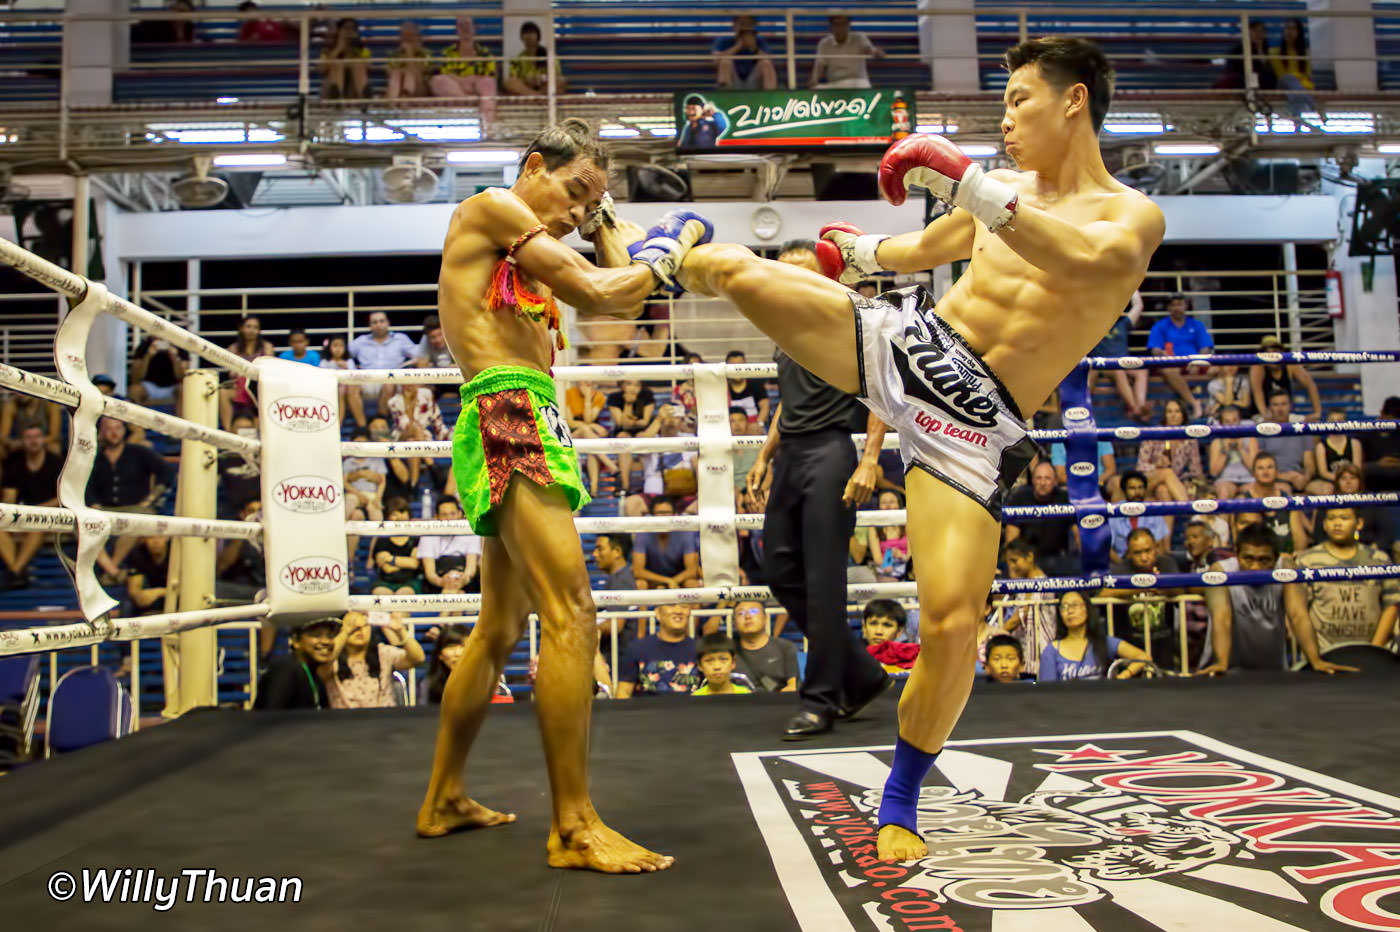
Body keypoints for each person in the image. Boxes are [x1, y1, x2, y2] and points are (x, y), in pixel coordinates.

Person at [673, 36, 1162, 860]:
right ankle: (631, 259)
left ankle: (900, 793)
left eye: (1019, 101)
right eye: (1004, 105)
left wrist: (962, 178)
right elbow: (923, 252)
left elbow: (1082, 262)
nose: (1005, 120)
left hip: (974, 422)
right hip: (911, 346)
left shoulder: (1128, 215)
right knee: (740, 271)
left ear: (1073, 101)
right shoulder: (997, 189)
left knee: (950, 625)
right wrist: (858, 253)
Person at [417, 119, 704, 873]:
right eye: (574, 191)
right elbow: (598, 290)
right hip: (509, 410)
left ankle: (444, 796)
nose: (576, 213)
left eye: (588, 207)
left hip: (523, 412)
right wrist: (669, 248)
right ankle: (573, 827)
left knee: (500, 625)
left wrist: (611, 217)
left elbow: (622, 298)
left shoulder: (532, 249)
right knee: (571, 611)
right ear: (534, 165)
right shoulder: (493, 208)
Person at [743, 240, 891, 736]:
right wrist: (765, 455)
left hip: (830, 455)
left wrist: (870, 458)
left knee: (824, 583)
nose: (790, 280)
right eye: (782, 272)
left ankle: (823, 699)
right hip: (791, 456)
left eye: (802, 272)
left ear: (828, 277)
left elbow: (879, 394)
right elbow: (789, 401)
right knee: (779, 568)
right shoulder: (783, 326)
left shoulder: (848, 322)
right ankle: (863, 673)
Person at [1197, 523, 1357, 676]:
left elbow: (1298, 615)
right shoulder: (1220, 571)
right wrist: (1222, 663)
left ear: (1275, 558)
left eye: (1263, 560)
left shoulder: (1285, 568)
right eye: (1248, 559)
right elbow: (1221, 618)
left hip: (1271, 672)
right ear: (1237, 555)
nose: (1255, 568)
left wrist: (1315, 660)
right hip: (1224, 670)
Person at [1296, 507, 1400, 653]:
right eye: (1332, 518)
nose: (1337, 524)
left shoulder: (1379, 559)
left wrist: (1374, 650)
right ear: (1325, 524)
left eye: (1344, 518)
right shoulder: (1307, 560)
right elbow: (1299, 611)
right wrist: (1314, 654)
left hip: (1373, 651)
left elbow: (1392, 605)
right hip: (1324, 653)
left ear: (1359, 524)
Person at [86, 417, 176, 576]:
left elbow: (167, 472)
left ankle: (111, 570)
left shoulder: (138, 452)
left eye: (117, 428)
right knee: (81, 522)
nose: (114, 433)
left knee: (137, 521)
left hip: (136, 509)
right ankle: (112, 571)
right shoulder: (95, 457)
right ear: (101, 432)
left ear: (124, 430)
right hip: (105, 510)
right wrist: (93, 504)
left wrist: (150, 499)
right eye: (109, 429)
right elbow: (87, 486)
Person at [0, 423, 62, 588]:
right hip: (20, 515)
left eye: (36, 437)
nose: (33, 441)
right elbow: (9, 498)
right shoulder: (14, 465)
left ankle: (13, 573)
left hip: (49, 515)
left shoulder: (56, 463)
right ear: (23, 441)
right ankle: (17, 572)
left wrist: (37, 511)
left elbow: (62, 498)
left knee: (36, 528)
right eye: (29, 437)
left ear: (43, 439)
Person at [323, 611, 426, 708]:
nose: (359, 629)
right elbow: (325, 662)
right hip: (343, 722)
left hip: (383, 720)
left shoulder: (383, 653)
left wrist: (400, 630)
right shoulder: (332, 658)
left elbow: (418, 658)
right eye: (352, 625)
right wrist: (345, 633)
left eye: (365, 625)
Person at [1039, 590, 1150, 680]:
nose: (1070, 611)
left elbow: (1143, 657)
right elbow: (1048, 691)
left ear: (1087, 609)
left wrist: (1123, 676)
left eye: (1075, 605)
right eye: (1064, 607)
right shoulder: (1051, 650)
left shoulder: (1103, 642)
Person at [1146, 293, 1213, 420]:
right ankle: (1194, 403)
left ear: (1186, 306)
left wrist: (1197, 361)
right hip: (1172, 364)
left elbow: (1205, 348)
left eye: (1180, 304)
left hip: (1194, 363)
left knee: (1219, 369)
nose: (1177, 307)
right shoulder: (1160, 326)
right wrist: (1163, 354)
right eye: (1173, 305)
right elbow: (1155, 350)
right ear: (1169, 308)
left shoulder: (1196, 325)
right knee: (1169, 371)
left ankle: (1214, 408)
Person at [1002, 461, 1077, 572]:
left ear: (1055, 482)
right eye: (1038, 478)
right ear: (1032, 481)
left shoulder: (1065, 498)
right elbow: (1011, 539)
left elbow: (1078, 533)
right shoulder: (1019, 497)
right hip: (1026, 561)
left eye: (1047, 478)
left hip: (1058, 559)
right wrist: (1013, 570)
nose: (1042, 483)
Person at [253, 617, 341, 710]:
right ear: (296, 641)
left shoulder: (312, 672)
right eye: (316, 635)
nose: (326, 641)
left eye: (330, 636)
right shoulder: (285, 671)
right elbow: (270, 718)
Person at [614, 603, 701, 697]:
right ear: (658, 613)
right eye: (671, 605)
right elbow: (624, 692)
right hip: (648, 710)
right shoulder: (637, 648)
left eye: (684, 606)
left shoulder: (701, 648)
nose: (678, 611)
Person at [1085, 290, 1148, 420]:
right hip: (1103, 365)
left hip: (1125, 363)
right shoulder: (1090, 326)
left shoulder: (1123, 324)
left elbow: (1138, 305)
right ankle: (1135, 409)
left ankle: (1141, 405)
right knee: (1118, 371)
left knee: (1142, 371)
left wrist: (1131, 283)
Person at [1000, 538, 1056, 675]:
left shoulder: (1042, 583)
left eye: (1014, 561)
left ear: (1030, 557)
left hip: (1041, 655)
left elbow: (1019, 617)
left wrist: (996, 633)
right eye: (1009, 562)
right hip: (1026, 657)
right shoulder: (1021, 584)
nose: (1012, 566)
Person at [432, 16, 498, 129]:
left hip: (477, 87)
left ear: (474, 28)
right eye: (461, 26)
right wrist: (461, 81)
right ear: (457, 30)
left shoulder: (485, 54)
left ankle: (488, 126)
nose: (465, 28)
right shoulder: (448, 53)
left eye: (468, 25)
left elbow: (490, 75)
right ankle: (468, 100)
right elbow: (444, 74)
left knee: (489, 83)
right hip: (456, 88)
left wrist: (473, 80)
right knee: (437, 81)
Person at [350, 312, 419, 414]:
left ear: (388, 323)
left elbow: (418, 356)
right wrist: (350, 366)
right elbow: (343, 355)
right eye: (375, 322)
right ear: (370, 326)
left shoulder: (400, 339)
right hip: (367, 381)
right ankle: (362, 427)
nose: (379, 325)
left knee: (389, 383)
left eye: (382, 321)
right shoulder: (361, 341)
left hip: (392, 381)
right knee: (350, 386)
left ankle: (381, 419)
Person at [631, 496, 701, 588]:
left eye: (667, 513)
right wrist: (666, 581)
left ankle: (685, 603)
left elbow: (691, 570)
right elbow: (638, 571)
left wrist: (673, 581)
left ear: (675, 515)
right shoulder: (642, 533)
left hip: (679, 579)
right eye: (660, 513)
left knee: (691, 583)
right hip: (653, 580)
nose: (663, 517)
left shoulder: (685, 532)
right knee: (640, 584)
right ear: (652, 516)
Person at [730, 600, 799, 692]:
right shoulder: (728, 650)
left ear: (765, 618)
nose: (747, 616)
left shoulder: (785, 647)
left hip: (777, 703)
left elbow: (792, 687)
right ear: (735, 622)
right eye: (741, 613)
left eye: (754, 611)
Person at [419, 497, 482, 593]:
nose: (449, 519)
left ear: (460, 514)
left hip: (464, 580)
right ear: (436, 517)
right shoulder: (427, 535)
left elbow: (471, 569)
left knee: (457, 593)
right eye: (444, 515)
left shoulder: (470, 531)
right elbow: (430, 573)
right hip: (438, 582)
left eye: (452, 514)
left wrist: (461, 581)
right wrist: (442, 582)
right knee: (449, 593)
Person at [1249, 334, 1321, 419]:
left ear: (1281, 352)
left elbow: (1310, 385)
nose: (1272, 355)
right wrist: (1265, 414)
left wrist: (1317, 412)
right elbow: (1257, 391)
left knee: (1306, 422)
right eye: (1268, 353)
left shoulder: (1290, 365)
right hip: (1262, 414)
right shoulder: (1258, 367)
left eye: (1275, 351)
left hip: (1286, 415)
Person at [606, 379, 656, 493]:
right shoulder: (614, 397)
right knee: (623, 437)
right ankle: (625, 485)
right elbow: (620, 423)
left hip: (642, 431)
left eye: (637, 384)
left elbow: (645, 422)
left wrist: (632, 422)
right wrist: (628, 404)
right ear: (622, 385)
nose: (633, 388)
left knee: (642, 437)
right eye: (629, 384)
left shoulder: (647, 395)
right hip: (622, 431)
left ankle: (647, 482)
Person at [1107, 470, 1170, 559]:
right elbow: (1108, 549)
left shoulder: (1154, 511)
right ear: (1124, 491)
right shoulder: (1114, 513)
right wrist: (1123, 566)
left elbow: (1160, 548)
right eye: (1132, 488)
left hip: (1149, 561)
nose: (1137, 492)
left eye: (1140, 488)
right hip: (1123, 563)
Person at [810, 16, 883, 89]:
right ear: (831, 27)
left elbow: (870, 49)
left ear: (848, 25)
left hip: (858, 82)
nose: (840, 28)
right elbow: (819, 65)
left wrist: (876, 52)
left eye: (843, 25)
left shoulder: (859, 38)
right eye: (837, 25)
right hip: (835, 84)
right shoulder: (824, 44)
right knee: (816, 89)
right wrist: (814, 80)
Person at [370, 497, 421, 594]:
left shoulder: (415, 540)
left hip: (409, 582)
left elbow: (414, 564)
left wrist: (390, 559)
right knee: (380, 594)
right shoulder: (382, 540)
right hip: (385, 582)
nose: (399, 517)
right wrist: (405, 563)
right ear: (388, 517)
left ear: (409, 515)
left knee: (404, 594)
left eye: (402, 512)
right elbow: (387, 568)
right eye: (394, 514)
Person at [712, 15, 777, 90]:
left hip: (754, 80)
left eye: (748, 24)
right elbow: (716, 61)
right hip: (733, 80)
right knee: (725, 62)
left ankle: (770, 97)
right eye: (742, 24)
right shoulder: (724, 40)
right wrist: (737, 46)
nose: (745, 28)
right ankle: (725, 96)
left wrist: (754, 48)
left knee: (765, 64)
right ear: (735, 26)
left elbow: (770, 61)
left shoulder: (759, 41)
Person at [504, 21, 567, 97]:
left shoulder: (548, 55)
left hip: (545, 86)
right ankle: (537, 95)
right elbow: (514, 77)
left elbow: (556, 75)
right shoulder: (518, 59)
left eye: (532, 33)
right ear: (521, 37)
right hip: (526, 88)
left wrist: (542, 78)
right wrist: (526, 80)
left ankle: (537, 95)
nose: (529, 36)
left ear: (538, 36)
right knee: (509, 83)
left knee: (561, 81)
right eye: (525, 33)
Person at [1209, 404, 1258, 499]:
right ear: (1222, 424)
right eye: (1227, 422)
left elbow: (1255, 469)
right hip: (1226, 480)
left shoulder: (1250, 439)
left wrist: (1242, 450)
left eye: (1234, 421)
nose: (1231, 425)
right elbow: (1213, 472)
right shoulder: (1217, 442)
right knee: (1224, 492)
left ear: (1240, 421)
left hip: (1249, 480)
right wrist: (1225, 452)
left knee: (1254, 492)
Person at [319, 17, 371, 99]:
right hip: (330, 88)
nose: (349, 31)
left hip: (353, 89)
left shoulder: (362, 50)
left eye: (352, 29)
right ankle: (337, 100)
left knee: (358, 65)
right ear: (338, 31)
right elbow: (321, 69)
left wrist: (353, 52)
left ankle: (364, 101)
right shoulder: (328, 50)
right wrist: (338, 49)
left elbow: (368, 67)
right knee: (337, 65)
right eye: (346, 28)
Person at [863, 599, 920, 672]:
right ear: (864, 627)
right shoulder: (849, 660)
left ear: (899, 631)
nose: (879, 631)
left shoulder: (914, 661)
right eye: (873, 623)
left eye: (887, 625)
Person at [1314, 408, 1363, 494]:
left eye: (1339, 421)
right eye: (1332, 421)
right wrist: (1340, 480)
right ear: (1327, 423)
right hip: (1331, 481)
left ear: (1345, 423)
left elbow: (1357, 469)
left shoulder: (1354, 443)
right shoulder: (1321, 446)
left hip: (1350, 479)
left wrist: (1347, 480)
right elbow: (1323, 472)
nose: (1336, 424)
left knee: (1353, 483)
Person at [128, 336, 186, 407]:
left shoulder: (179, 345)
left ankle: (181, 417)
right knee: (134, 390)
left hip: (172, 388)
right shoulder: (145, 345)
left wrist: (174, 358)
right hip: (149, 387)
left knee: (183, 389)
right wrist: (148, 356)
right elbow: (135, 379)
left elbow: (182, 378)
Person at [386, 20, 433, 100]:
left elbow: (418, 74)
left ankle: (404, 99)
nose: (407, 38)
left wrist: (409, 53)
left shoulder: (425, 54)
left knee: (409, 74)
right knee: (396, 74)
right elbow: (390, 74)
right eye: (404, 35)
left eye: (411, 35)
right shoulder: (395, 54)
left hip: (420, 90)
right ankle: (393, 102)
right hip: (398, 90)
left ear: (418, 37)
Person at [723, 349, 771, 426]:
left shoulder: (756, 383)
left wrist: (759, 424)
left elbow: (765, 406)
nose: (737, 370)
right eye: (733, 366)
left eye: (740, 366)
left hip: (754, 426)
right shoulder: (722, 387)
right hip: (730, 427)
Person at [422, 627, 468, 704]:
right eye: (451, 647)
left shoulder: (487, 682)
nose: (457, 653)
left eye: (463, 646)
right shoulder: (428, 685)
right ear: (440, 654)